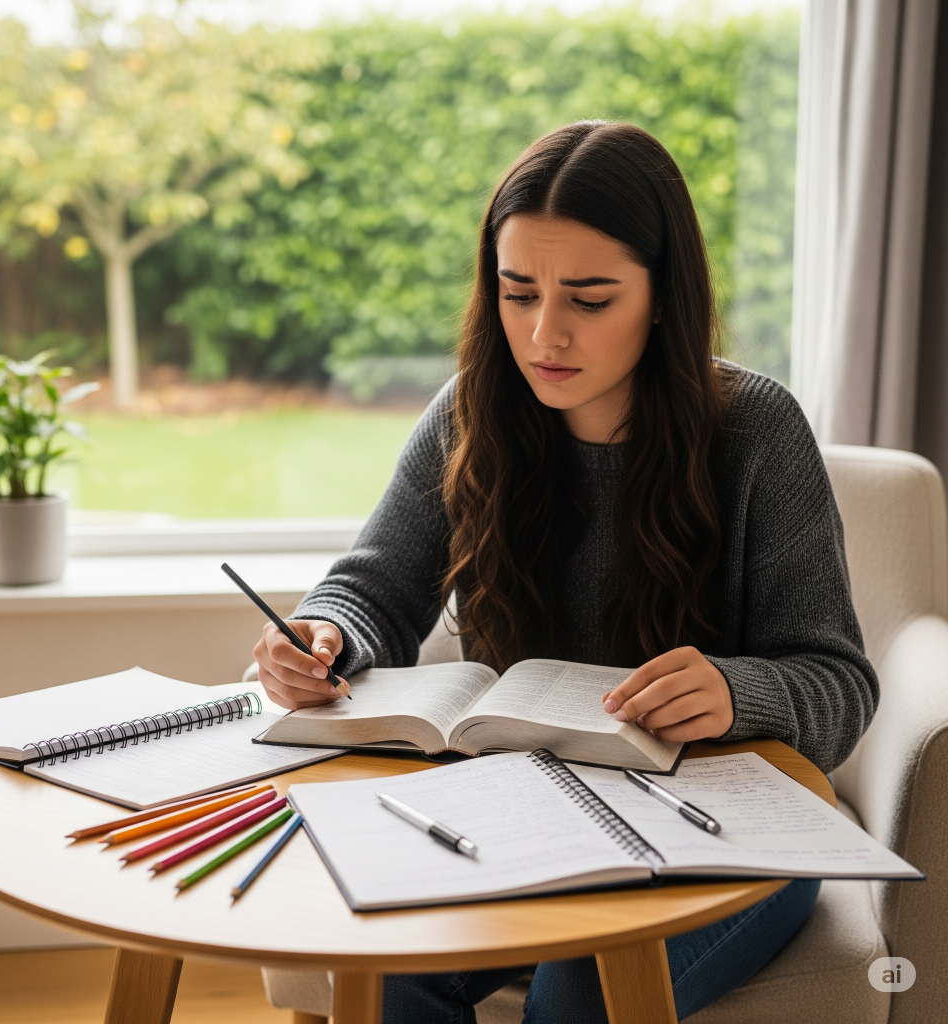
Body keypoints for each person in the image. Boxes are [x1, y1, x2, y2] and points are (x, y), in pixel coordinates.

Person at [252, 121, 878, 1023]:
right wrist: (325, 634)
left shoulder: (756, 433)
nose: (544, 334)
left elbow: (840, 684)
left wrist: (735, 693)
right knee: (393, 966)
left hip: (724, 829)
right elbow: (374, 586)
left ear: (662, 296)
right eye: (518, 293)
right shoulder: (472, 412)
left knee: (583, 996)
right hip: (523, 809)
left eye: (589, 299)